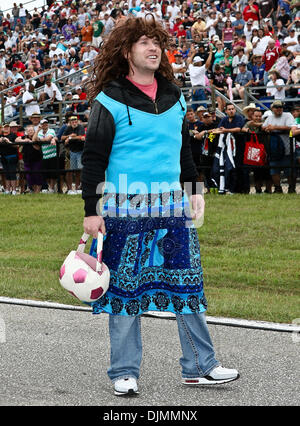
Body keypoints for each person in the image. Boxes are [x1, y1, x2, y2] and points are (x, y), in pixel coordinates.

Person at [81, 16, 239, 397]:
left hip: (173, 207)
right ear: (126, 52)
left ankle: (200, 366)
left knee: (187, 284)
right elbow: (92, 158)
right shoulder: (109, 100)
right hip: (124, 209)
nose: (154, 49)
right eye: (144, 43)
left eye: (157, 43)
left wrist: (194, 188)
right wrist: (90, 210)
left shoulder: (174, 95)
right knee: (124, 290)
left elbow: (183, 149)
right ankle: (124, 371)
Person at [262, 100, 296, 193]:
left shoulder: (288, 115)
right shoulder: (270, 117)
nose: (279, 109)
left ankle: (291, 188)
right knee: (274, 170)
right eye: (276, 107)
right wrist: (267, 129)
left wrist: (274, 128)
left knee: (289, 170)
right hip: (274, 149)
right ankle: (278, 188)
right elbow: (263, 126)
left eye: (280, 107)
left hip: (287, 148)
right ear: (272, 108)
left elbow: (291, 127)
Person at [61, 116, 85, 194]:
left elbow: (81, 137)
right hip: (71, 151)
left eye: (75, 121)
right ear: (70, 122)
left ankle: (78, 188)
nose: (74, 123)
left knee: (79, 170)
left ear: (77, 121)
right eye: (72, 121)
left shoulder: (80, 127)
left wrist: (70, 138)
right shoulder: (68, 128)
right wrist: (69, 136)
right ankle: (70, 189)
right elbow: (62, 137)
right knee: (71, 170)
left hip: (80, 151)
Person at [15, 125, 43, 193]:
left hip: (36, 160)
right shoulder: (25, 137)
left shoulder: (37, 137)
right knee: (28, 176)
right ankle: (33, 189)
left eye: (31, 130)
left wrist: (37, 131)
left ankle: (37, 191)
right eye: (29, 130)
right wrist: (24, 140)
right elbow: (16, 139)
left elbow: (34, 140)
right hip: (27, 160)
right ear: (26, 132)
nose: (30, 131)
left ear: (34, 131)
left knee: (37, 175)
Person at [33, 118, 58, 193]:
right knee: (46, 174)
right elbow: (34, 139)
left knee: (53, 174)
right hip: (45, 155)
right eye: (43, 124)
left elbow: (48, 138)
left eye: (46, 123)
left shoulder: (51, 131)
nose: (45, 125)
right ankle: (50, 187)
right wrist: (37, 130)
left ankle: (52, 188)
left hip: (53, 154)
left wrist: (39, 140)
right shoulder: (40, 132)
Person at [0, 123, 19, 194]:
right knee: (6, 173)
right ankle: (7, 190)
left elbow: (17, 146)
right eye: (5, 127)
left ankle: (14, 190)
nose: (6, 128)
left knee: (12, 173)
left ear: (9, 128)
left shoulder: (13, 135)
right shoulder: (0, 136)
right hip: (3, 157)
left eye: (7, 127)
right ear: (2, 128)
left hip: (12, 156)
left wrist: (9, 142)